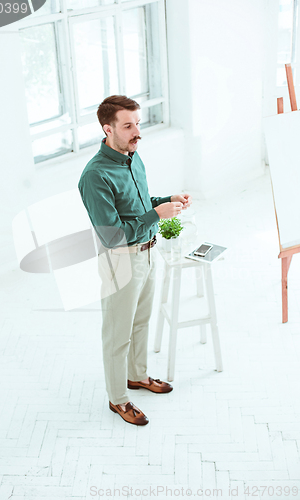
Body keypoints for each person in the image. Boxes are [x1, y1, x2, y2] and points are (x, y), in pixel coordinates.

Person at [78, 95, 192, 426]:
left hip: (146, 252)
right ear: (107, 129)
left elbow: (138, 207)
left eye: (138, 123)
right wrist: (156, 214)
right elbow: (113, 235)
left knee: (141, 322)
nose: (136, 131)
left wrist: (166, 200)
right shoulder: (95, 176)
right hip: (120, 261)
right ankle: (118, 399)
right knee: (117, 334)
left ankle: (137, 375)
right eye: (128, 125)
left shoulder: (133, 157)